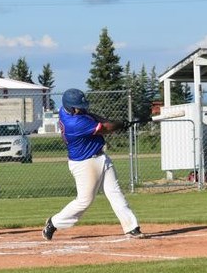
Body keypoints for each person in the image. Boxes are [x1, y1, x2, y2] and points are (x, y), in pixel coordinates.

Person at [42, 88, 146, 240]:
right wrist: (118, 124)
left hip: (100, 156)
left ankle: (131, 227)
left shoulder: (70, 111)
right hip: (85, 163)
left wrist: (114, 123)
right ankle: (53, 223)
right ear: (70, 107)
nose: (82, 108)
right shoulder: (74, 122)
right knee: (84, 201)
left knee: (115, 192)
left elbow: (92, 116)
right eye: (78, 106)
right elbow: (105, 129)